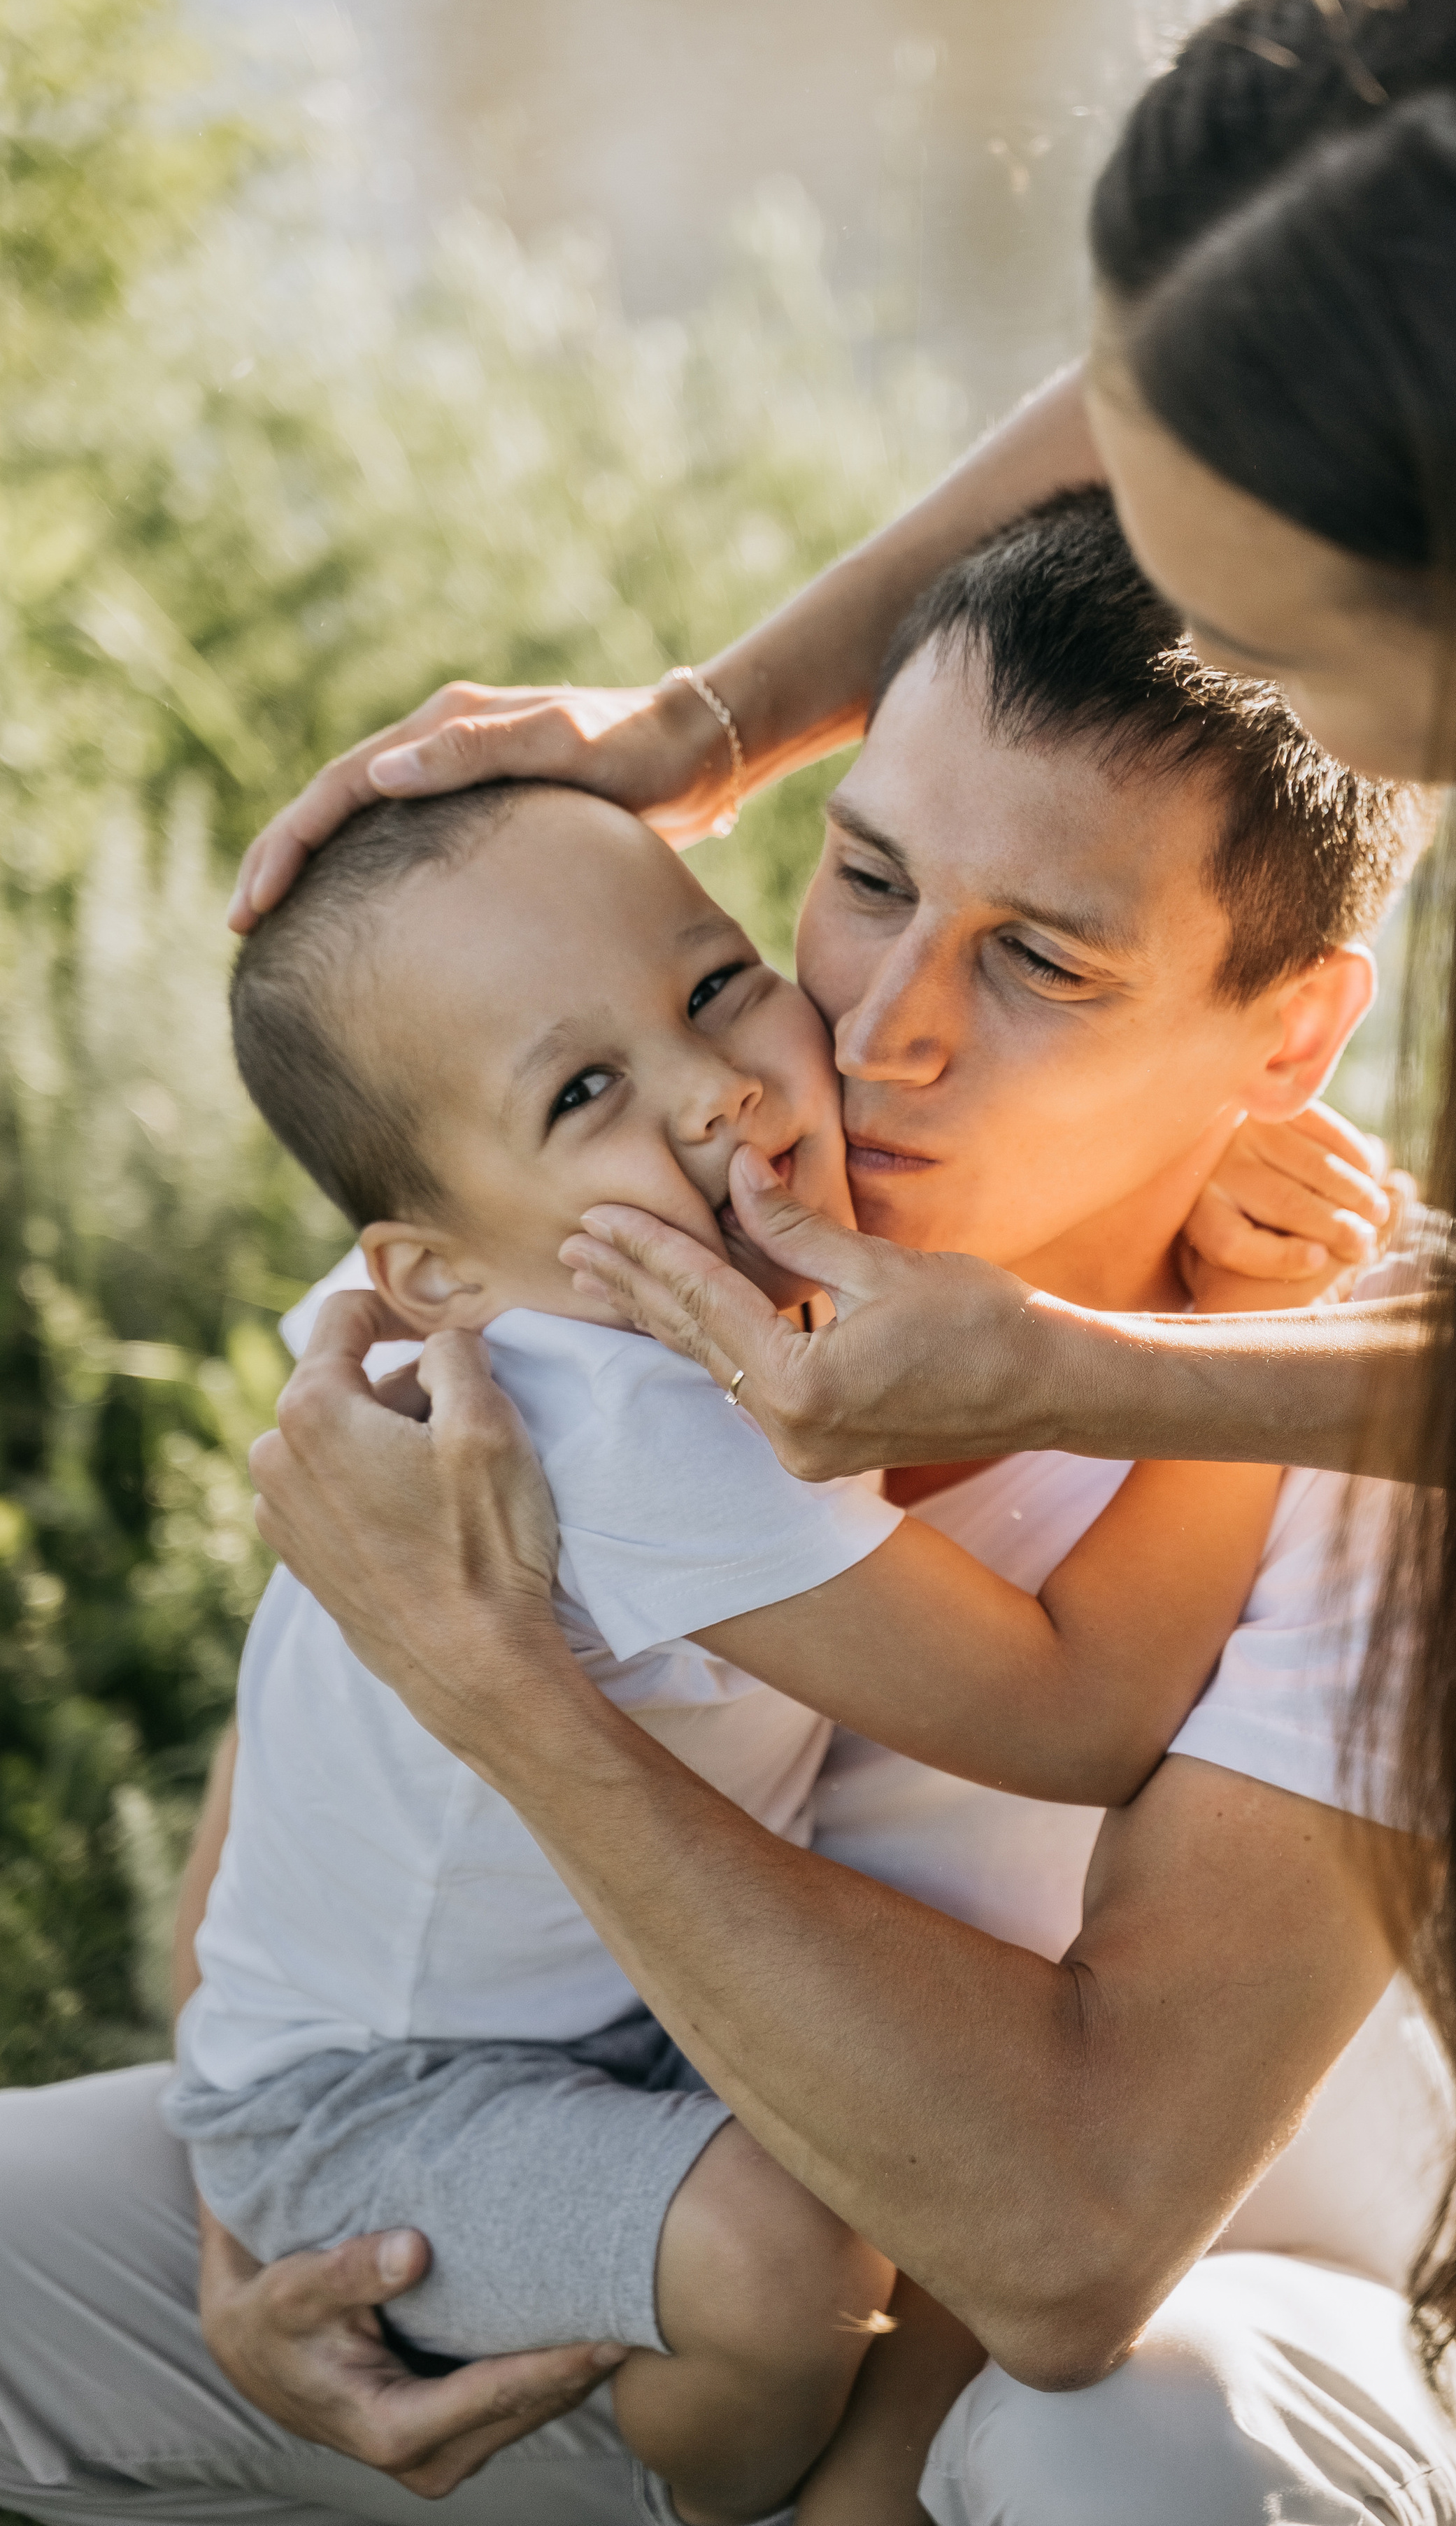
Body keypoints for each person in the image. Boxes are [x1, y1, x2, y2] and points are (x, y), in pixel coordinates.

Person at [222, 0, 1456, 2364]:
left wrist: (1104, 1376)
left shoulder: (1371, 1300)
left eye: (1269, 623)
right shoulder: (649, 1210)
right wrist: (705, 730)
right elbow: (1184, 373)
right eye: (843, 892)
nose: (861, 1032)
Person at [0, 494, 1456, 2526]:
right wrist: (268, 2250)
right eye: (864, 879)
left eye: (1039, 959)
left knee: (1127, 2454)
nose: (877, 1029)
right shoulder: (593, 1247)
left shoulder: (1379, 1412)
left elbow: (1075, 2238)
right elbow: (280, 1876)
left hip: (1210, 2313)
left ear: (1289, 1033)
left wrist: (520, 1700)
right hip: (664, 2246)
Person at [176, 738, 1322, 2520]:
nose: (714, 1090)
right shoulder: (631, 1420)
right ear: (440, 1276)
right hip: (386, 2095)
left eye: (718, 984)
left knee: (903, 2207)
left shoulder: (513, 1283)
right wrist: (1243, 1341)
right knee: (778, 2271)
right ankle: (698, 2499)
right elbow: (1081, 1711)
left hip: (603, 2021)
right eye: (582, 1095)